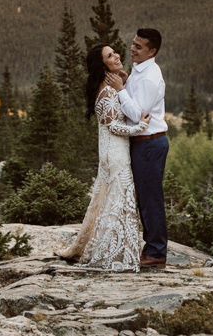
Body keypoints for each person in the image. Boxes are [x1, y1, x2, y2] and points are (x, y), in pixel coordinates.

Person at [62, 44, 154, 270]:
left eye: (114, 52)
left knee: (109, 201)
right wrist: (139, 127)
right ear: (101, 64)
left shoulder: (109, 86)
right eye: (109, 55)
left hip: (111, 152)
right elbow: (112, 125)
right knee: (118, 201)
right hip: (115, 153)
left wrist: (122, 80)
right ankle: (110, 252)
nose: (116, 56)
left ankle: (105, 247)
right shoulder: (108, 91)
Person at [117, 27, 168, 268]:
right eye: (133, 43)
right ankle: (152, 248)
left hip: (149, 142)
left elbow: (138, 115)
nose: (132, 49)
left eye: (139, 46)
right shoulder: (140, 71)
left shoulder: (149, 76)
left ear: (152, 51)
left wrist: (119, 89)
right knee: (145, 198)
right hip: (143, 143)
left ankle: (157, 252)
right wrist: (126, 83)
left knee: (150, 199)